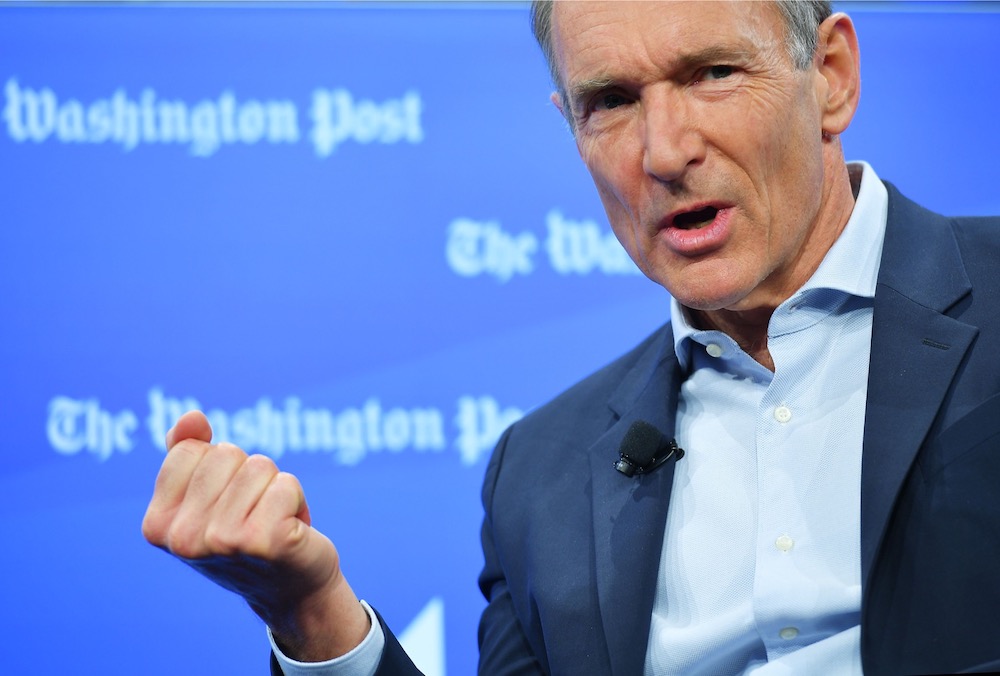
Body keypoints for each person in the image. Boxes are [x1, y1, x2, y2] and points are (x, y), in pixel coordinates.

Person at [143, 1, 1000, 674]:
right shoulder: (540, 475)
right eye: (612, 102)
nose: (665, 152)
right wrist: (311, 611)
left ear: (833, 76)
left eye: (711, 73)